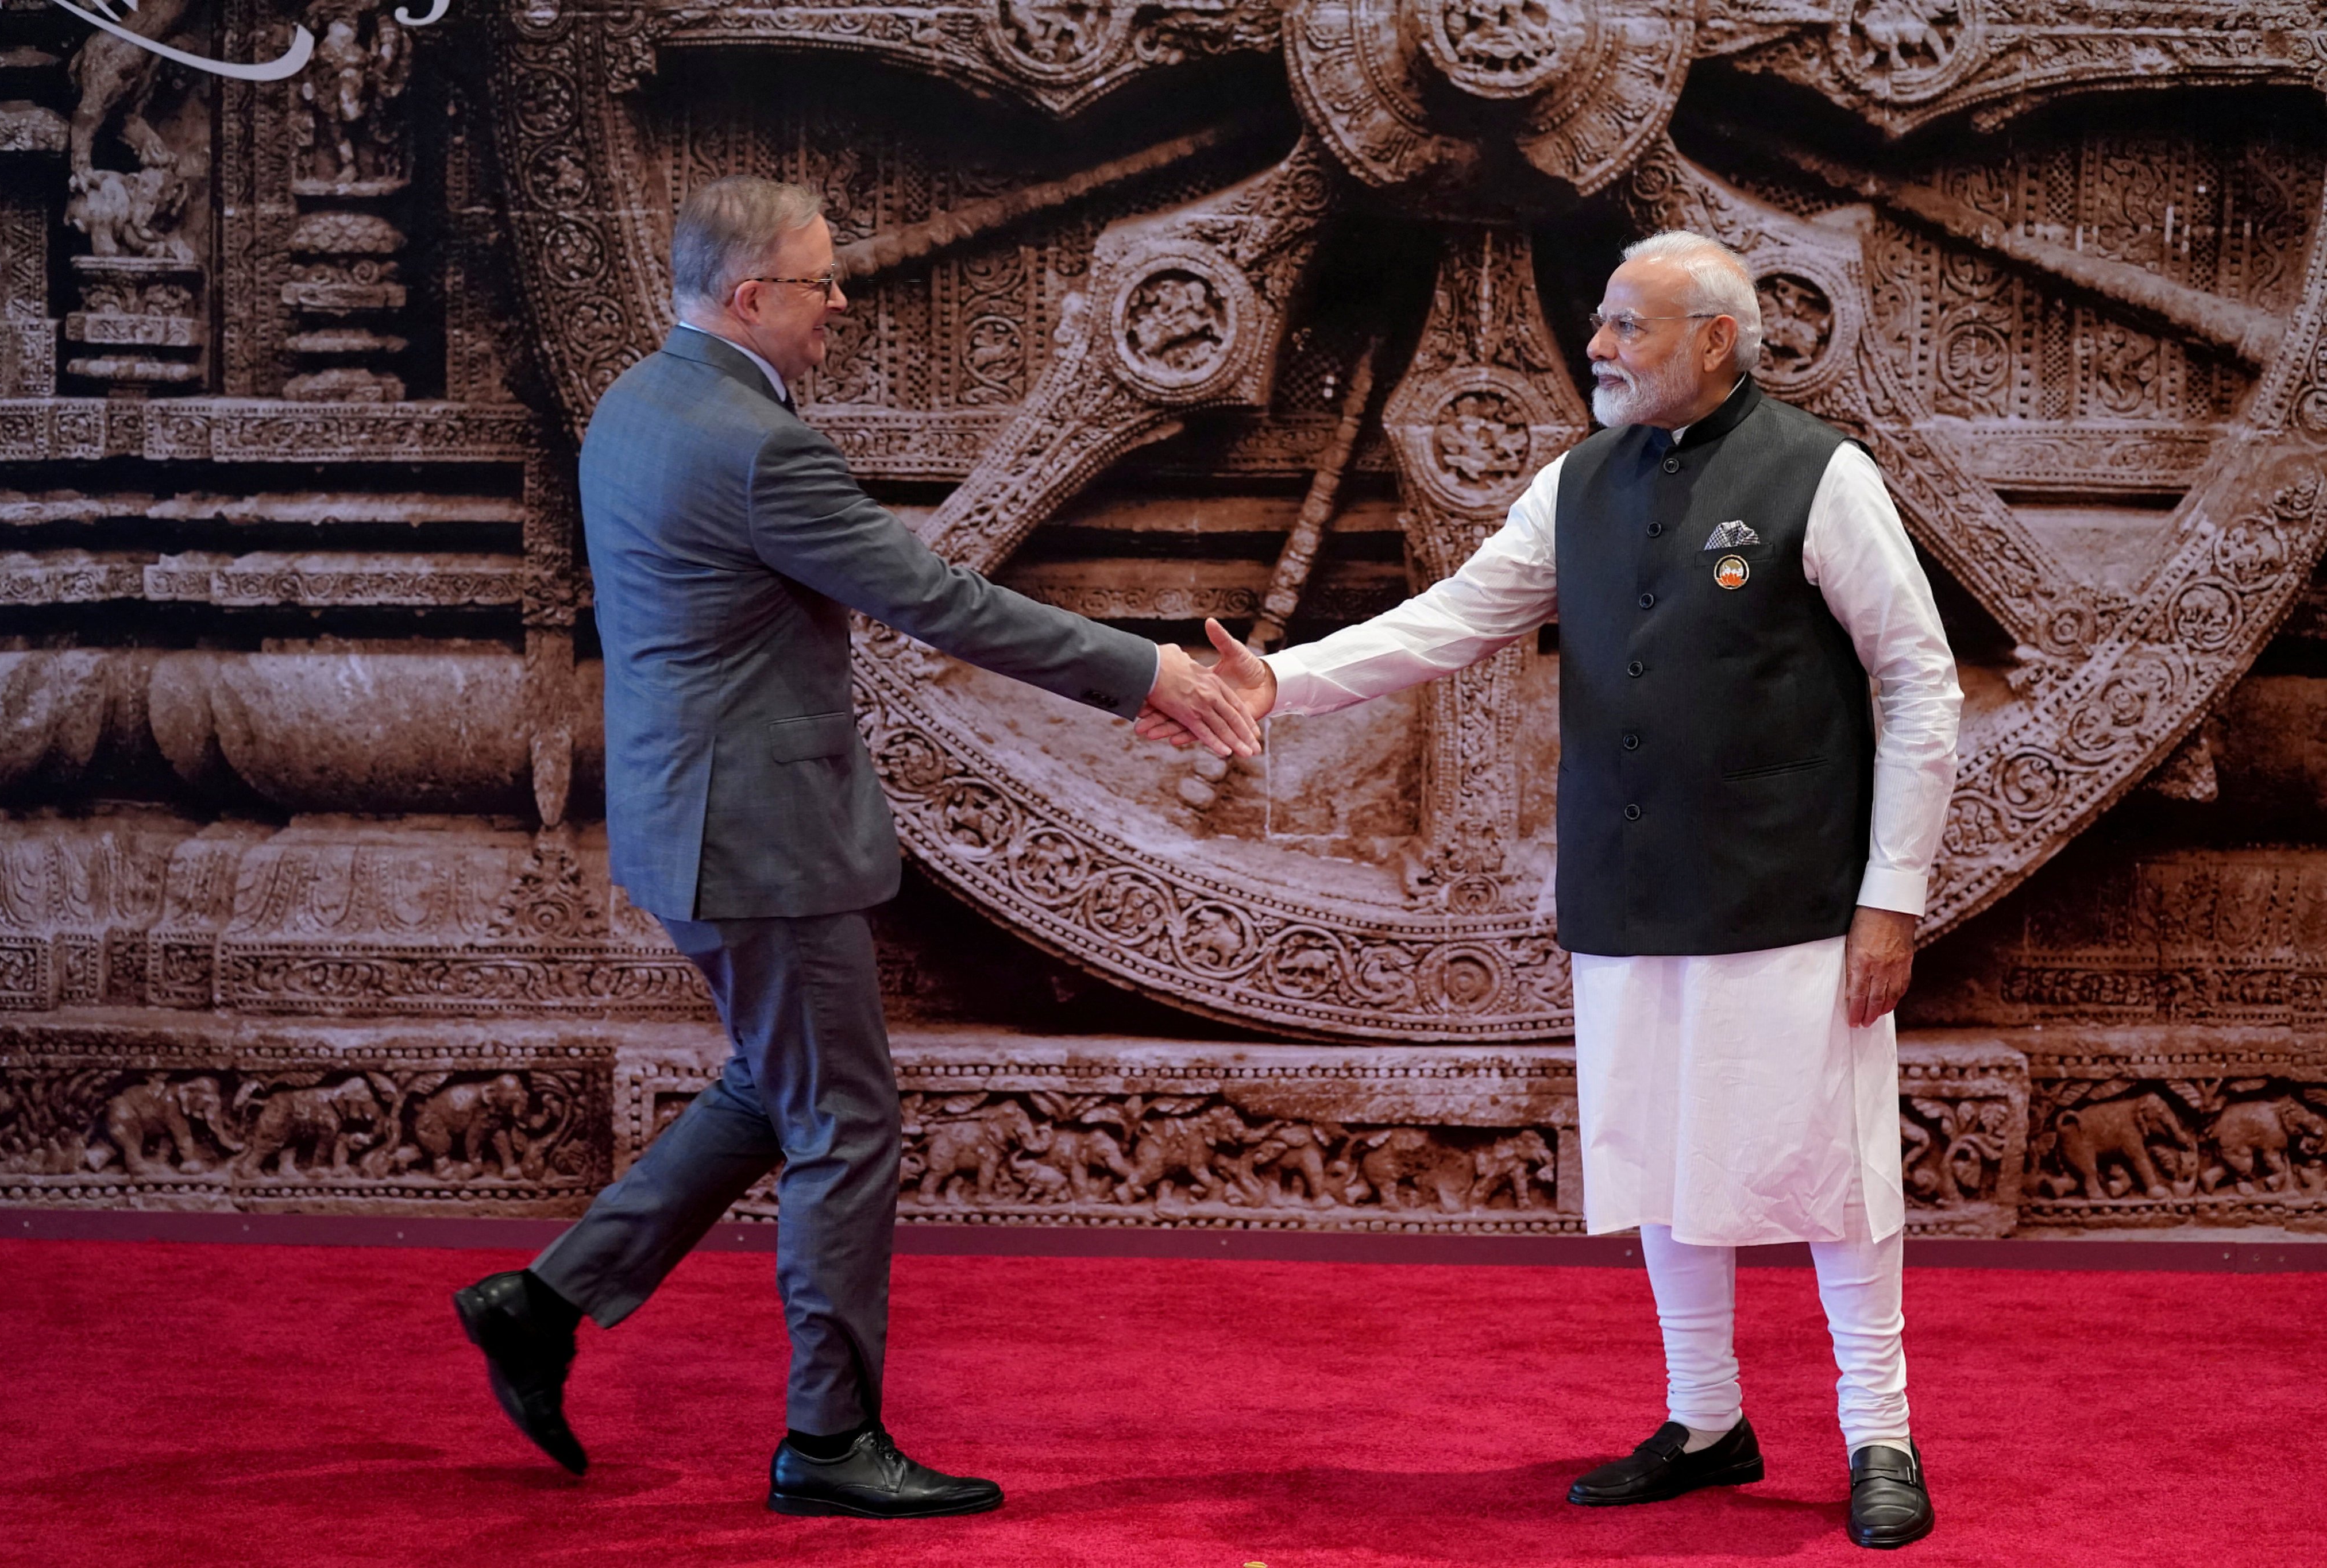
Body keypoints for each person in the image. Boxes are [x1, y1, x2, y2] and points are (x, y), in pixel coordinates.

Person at [452, 175, 1261, 1520]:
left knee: (780, 1088)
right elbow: (936, 600)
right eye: (820, 279)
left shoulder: (638, 404)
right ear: (746, 296)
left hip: (686, 820)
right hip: (760, 838)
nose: (843, 300)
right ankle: (827, 1443)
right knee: (843, 1118)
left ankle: (543, 1302)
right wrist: (1148, 673)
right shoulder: (758, 446)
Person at [1143, 229, 1961, 1550]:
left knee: (1833, 1172)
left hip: (1793, 890)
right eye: (1600, 322)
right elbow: (1454, 618)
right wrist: (1275, 682)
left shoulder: (1823, 475)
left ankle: (1880, 1431)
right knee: (1657, 1156)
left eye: (1627, 326)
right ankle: (1705, 1420)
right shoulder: (1572, 483)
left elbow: (1918, 686)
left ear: (1713, 338)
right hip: (1625, 886)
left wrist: (1893, 896)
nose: (1597, 347)